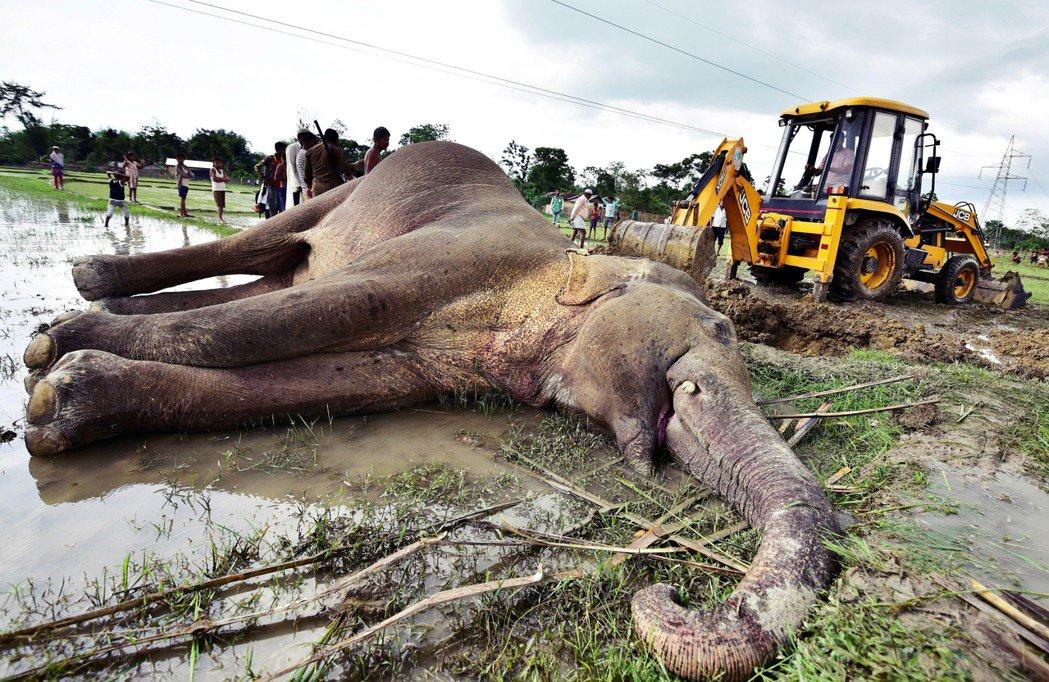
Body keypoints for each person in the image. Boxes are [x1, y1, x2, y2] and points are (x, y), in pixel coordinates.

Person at [304, 128, 354, 198]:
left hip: (317, 189)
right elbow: (345, 170)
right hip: (333, 188)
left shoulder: (311, 151)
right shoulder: (335, 150)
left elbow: (307, 174)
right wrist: (356, 165)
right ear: (336, 140)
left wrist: (309, 186)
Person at [254, 142, 287, 217]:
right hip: (271, 185)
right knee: (272, 207)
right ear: (279, 149)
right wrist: (264, 177)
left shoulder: (285, 159)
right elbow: (257, 167)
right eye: (284, 149)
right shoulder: (270, 158)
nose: (285, 151)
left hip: (282, 186)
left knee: (282, 206)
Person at [295, 130, 318, 202]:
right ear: (309, 141)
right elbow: (309, 174)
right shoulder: (306, 154)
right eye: (314, 142)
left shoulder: (303, 153)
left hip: (308, 189)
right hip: (310, 190)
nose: (315, 145)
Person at [285, 134, 303, 207]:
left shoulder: (305, 148)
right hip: (295, 183)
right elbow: (291, 167)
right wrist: (297, 184)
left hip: (303, 182)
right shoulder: (292, 147)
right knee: (294, 206)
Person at [173, 152, 193, 218]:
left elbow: (192, 175)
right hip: (181, 184)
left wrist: (188, 175)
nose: (179, 160)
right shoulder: (177, 166)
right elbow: (184, 174)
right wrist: (188, 175)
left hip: (186, 184)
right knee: (182, 199)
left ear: (183, 159)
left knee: (184, 199)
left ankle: (184, 213)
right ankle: (182, 214)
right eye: (178, 159)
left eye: (180, 158)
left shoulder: (186, 167)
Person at [210, 157, 229, 224]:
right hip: (216, 189)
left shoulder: (222, 171)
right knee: (219, 204)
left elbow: (228, 179)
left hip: (222, 189)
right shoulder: (213, 169)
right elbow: (214, 179)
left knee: (222, 205)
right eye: (216, 162)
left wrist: (221, 179)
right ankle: (220, 218)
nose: (218, 164)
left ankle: (220, 217)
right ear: (214, 163)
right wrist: (223, 179)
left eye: (219, 163)